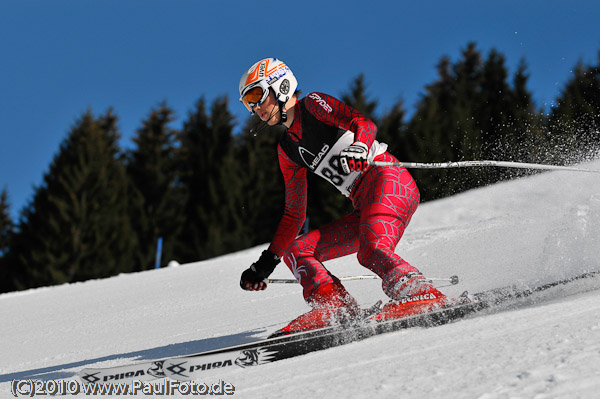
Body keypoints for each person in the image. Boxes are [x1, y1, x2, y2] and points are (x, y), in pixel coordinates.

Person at [238, 58, 446, 334]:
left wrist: (360, 146)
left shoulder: (312, 104)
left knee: (371, 249)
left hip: (389, 180)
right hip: (363, 202)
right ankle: (336, 309)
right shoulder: (287, 149)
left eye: (256, 96)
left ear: (281, 86)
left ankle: (419, 292)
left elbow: (363, 122)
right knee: (298, 251)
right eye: (246, 103)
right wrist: (266, 263)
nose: (255, 108)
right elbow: (294, 214)